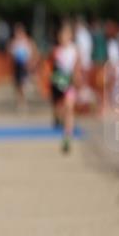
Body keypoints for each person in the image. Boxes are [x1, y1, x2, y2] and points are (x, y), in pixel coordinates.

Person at [50, 23, 80, 154]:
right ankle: (57, 118)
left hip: (70, 84)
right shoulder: (56, 51)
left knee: (69, 109)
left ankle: (67, 137)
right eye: (62, 35)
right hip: (57, 83)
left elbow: (77, 67)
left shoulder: (74, 50)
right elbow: (51, 68)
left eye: (66, 35)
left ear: (70, 36)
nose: (64, 37)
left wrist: (76, 78)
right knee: (59, 110)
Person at [9, 23, 35, 112]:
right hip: (17, 66)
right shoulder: (14, 42)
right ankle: (20, 103)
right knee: (18, 86)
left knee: (23, 85)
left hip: (25, 66)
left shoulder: (27, 41)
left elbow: (32, 53)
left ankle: (24, 103)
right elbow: (10, 53)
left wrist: (30, 64)